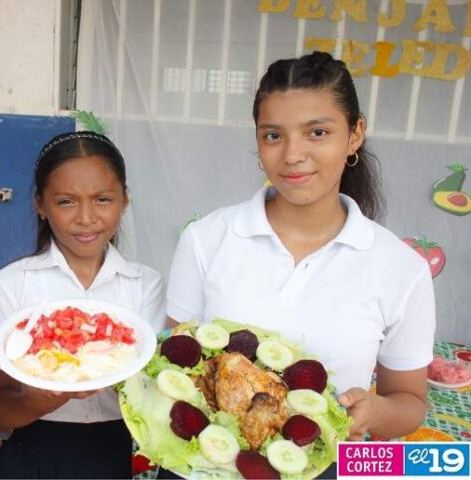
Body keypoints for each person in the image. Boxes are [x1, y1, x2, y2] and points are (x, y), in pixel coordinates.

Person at [166, 52, 435, 442]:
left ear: (355, 134)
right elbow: (177, 363)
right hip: (210, 460)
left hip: (324, 463)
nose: (292, 155)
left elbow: (409, 402)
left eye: (317, 133)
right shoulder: (207, 239)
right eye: (273, 135)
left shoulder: (401, 269)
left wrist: (376, 412)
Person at [0, 131, 166, 478]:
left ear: (124, 201)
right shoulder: (10, 286)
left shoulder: (146, 285)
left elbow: (155, 388)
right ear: (40, 204)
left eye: (102, 199)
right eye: (66, 201)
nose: (86, 217)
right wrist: (37, 402)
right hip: (33, 455)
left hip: (118, 455)